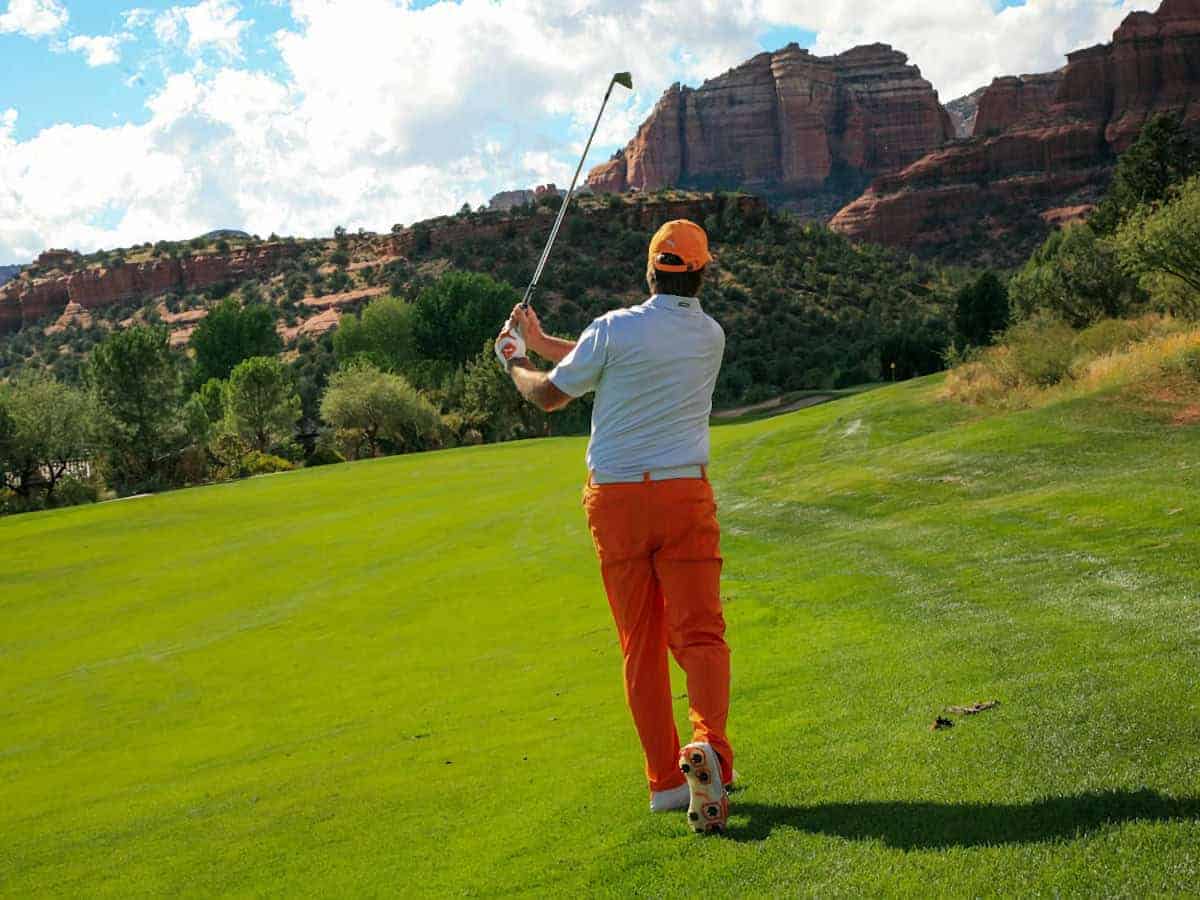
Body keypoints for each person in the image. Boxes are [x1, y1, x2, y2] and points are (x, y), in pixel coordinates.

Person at [494, 219, 734, 834]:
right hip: (685, 494)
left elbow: (551, 395)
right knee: (701, 634)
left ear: (651, 270)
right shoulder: (710, 336)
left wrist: (517, 360)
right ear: (702, 274)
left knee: (641, 643)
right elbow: (620, 354)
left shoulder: (613, 329)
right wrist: (546, 339)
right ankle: (711, 751)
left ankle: (664, 782)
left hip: (618, 502)